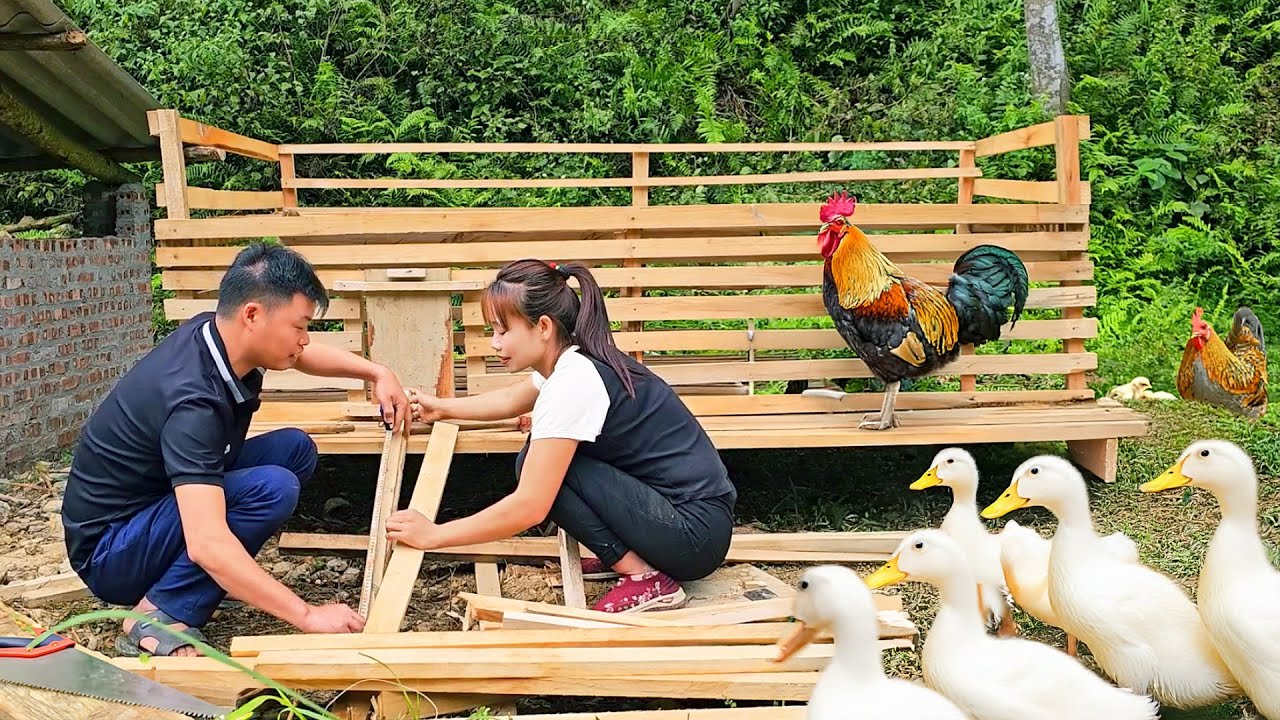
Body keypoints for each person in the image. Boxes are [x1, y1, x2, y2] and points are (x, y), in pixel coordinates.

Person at [61, 242, 411, 657]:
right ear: (252, 315)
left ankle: (201, 581)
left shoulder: (218, 333)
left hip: (153, 507)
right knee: (271, 487)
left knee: (293, 449)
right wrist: (307, 615)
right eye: (299, 326)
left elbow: (302, 355)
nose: (303, 339)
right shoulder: (193, 402)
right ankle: (156, 613)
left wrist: (376, 372)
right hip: (112, 551)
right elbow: (206, 542)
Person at [385, 259, 738, 613]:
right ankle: (630, 555)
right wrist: (442, 409)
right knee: (539, 459)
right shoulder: (573, 359)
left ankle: (646, 579)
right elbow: (512, 399)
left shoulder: (574, 380)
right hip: (688, 522)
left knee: (543, 471)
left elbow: (530, 507)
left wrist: (434, 535)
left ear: (542, 326)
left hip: (694, 535)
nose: (494, 343)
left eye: (502, 330)